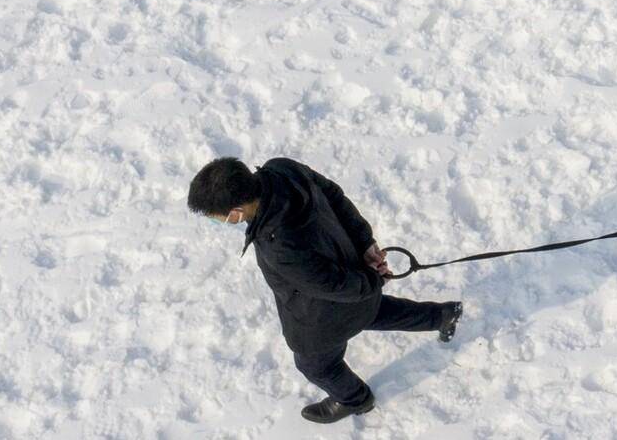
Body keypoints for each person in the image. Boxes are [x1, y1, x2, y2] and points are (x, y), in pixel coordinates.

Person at [188, 156, 463, 424]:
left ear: (236, 212)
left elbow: (331, 285)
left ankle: (356, 399)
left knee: (316, 365)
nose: (219, 222)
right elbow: (334, 195)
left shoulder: (279, 245)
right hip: (355, 276)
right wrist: (365, 244)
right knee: (374, 311)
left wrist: (372, 280)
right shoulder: (282, 170)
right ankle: (443, 316)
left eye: (218, 218)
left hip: (324, 317)